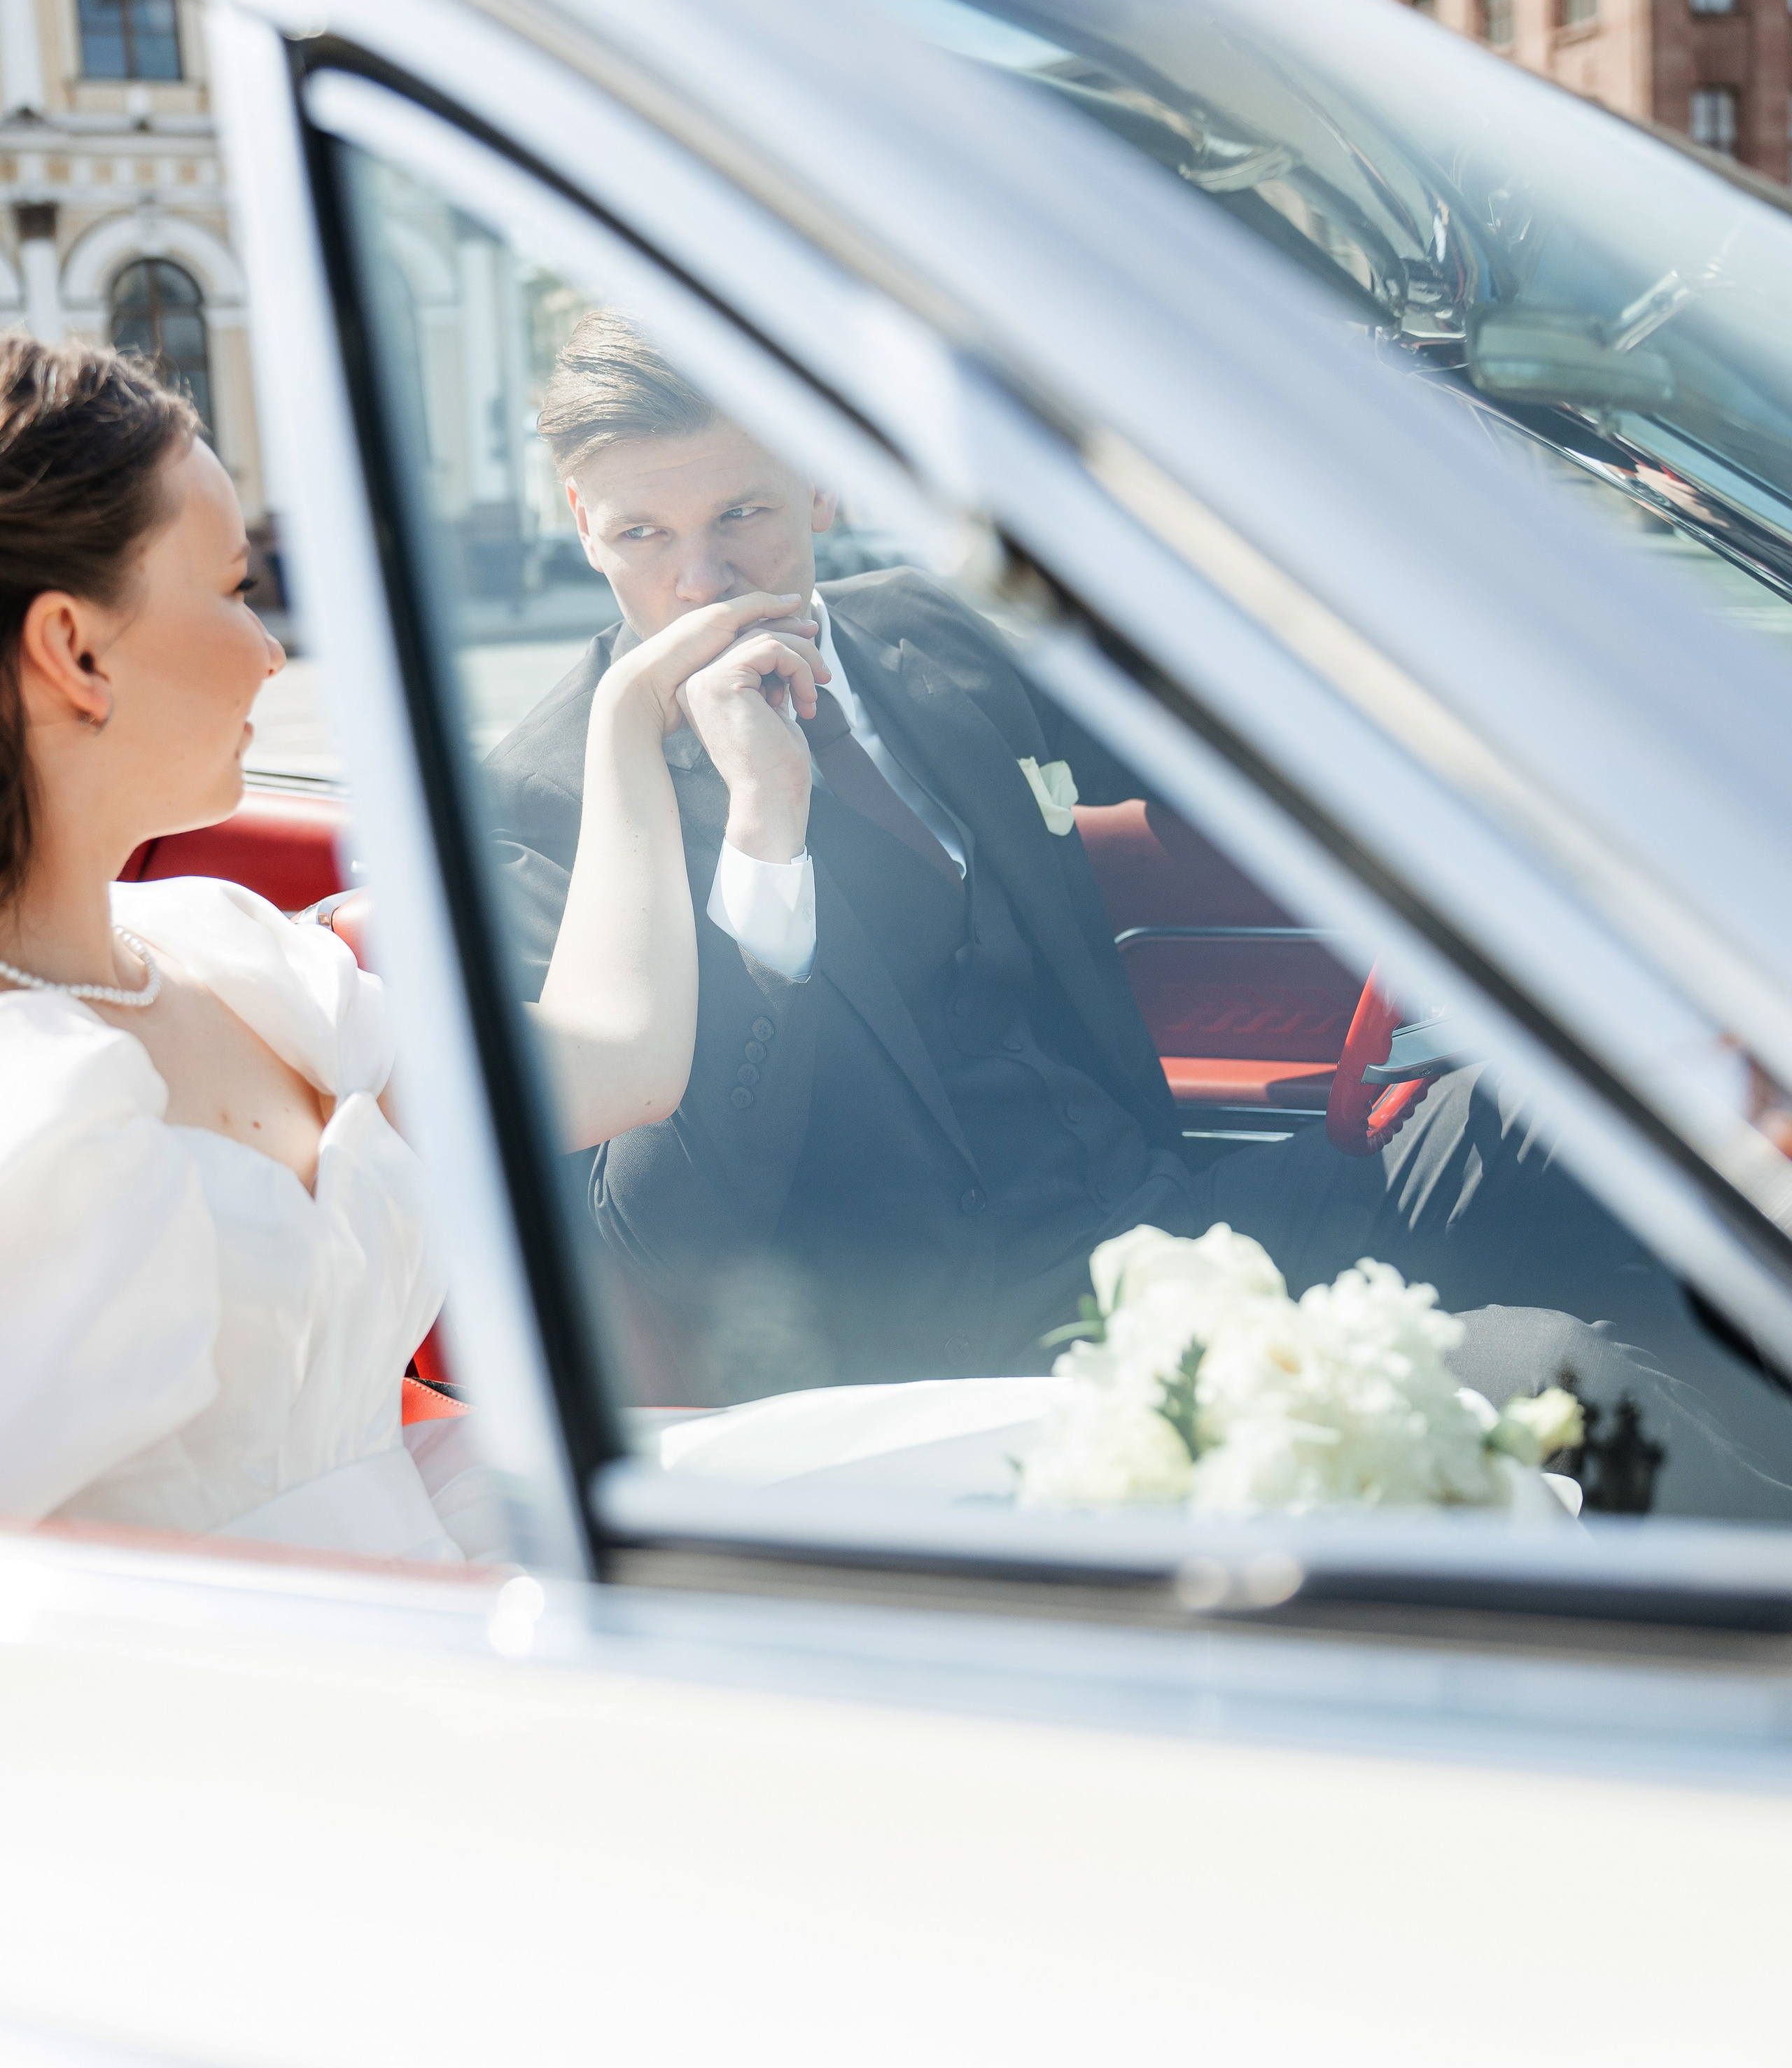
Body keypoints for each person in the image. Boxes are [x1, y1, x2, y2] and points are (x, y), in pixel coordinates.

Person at [484, 319, 1792, 1517]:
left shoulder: (930, 638)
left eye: (744, 515)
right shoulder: (552, 799)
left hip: (1191, 1220)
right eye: (641, 537)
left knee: (1616, 1103)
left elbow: (1221, 732)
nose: (702, 584)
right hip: (980, 1361)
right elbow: (656, 1235)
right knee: (1579, 1382)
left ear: (822, 484)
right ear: (581, 522)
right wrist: (764, 843)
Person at [0, 328, 811, 1563]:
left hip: (463, 1549)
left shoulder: (230, 958)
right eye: (232, 590)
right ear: (75, 650)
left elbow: (620, 1059)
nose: (271, 648)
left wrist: (624, 719)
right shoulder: (33, 1115)